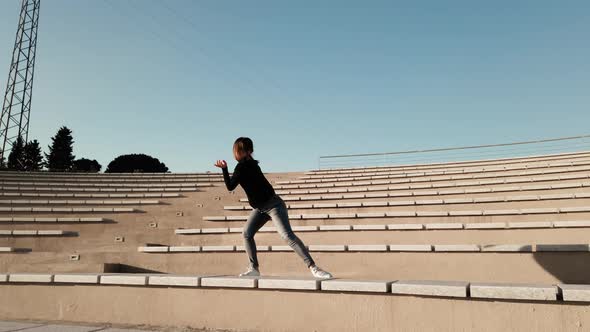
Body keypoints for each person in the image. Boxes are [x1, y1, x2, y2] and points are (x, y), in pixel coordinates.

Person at [214, 137, 333, 279]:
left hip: (274, 205)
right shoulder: (245, 166)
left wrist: (225, 169)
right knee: (247, 233)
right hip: (260, 209)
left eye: (240, 150)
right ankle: (254, 268)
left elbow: (230, 185)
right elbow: (231, 186)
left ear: (247, 151)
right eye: (236, 151)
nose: (237, 153)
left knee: (287, 236)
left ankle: (314, 267)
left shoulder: (247, 166)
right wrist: (225, 169)